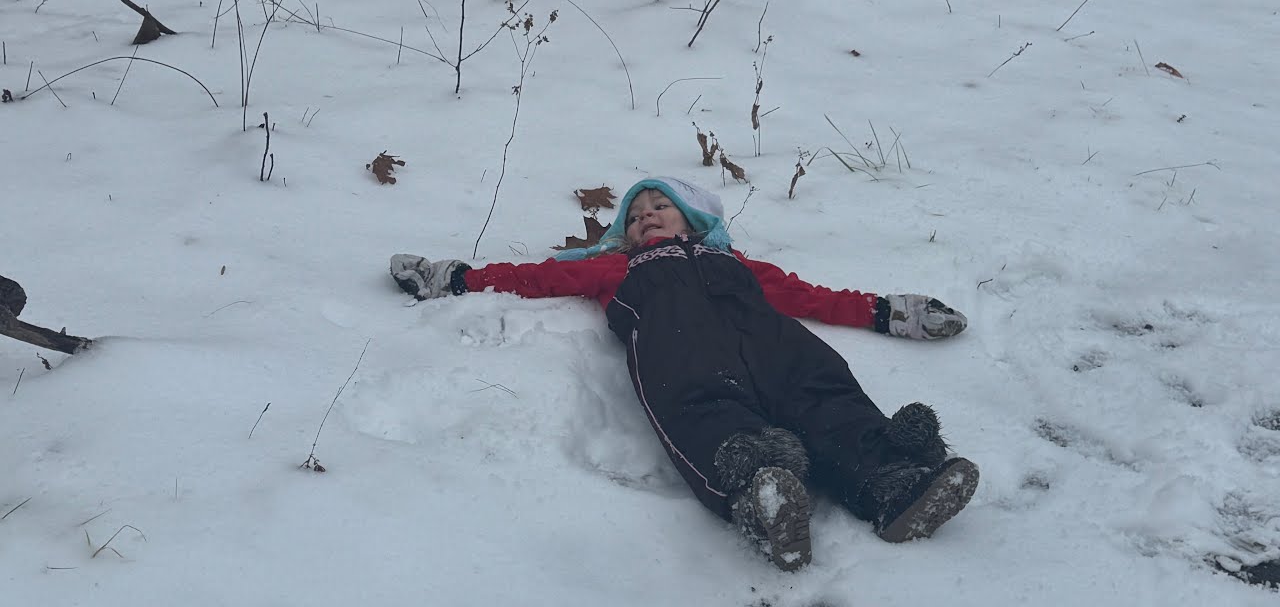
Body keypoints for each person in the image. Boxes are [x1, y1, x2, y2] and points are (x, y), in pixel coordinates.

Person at [390, 176, 978, 571]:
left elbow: (812, 297)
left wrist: (891, 312)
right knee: (709, 419)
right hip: (684, 355)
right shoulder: (612, 268)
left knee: (828, 396)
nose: (646, 219)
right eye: (636, 216)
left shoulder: (740, 264)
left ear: (694, 219)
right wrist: (456, 277)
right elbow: (533, 278)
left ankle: (893, 484)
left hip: (779, 350)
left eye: (659, 208)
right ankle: (763, 501)